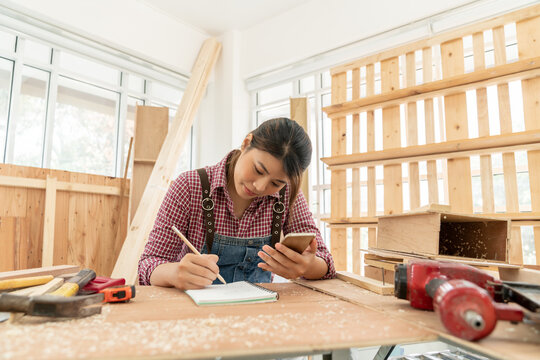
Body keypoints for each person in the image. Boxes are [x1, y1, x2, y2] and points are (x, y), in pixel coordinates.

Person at [138, 117, 336, 289]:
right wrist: (173, 273)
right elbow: (148, 265)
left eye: (276, 183)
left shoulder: (287, 195)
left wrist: (307, 266)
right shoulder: (189, 186)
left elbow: (326, 263)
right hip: (197, 314)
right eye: (258, 170)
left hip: (259, 312)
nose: (259, 187)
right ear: (246, 143)